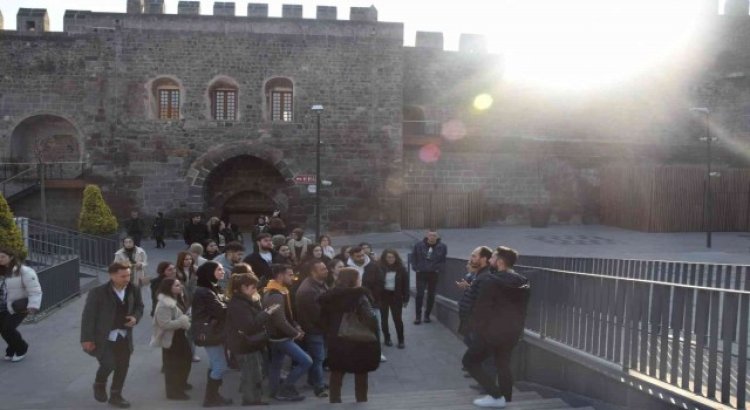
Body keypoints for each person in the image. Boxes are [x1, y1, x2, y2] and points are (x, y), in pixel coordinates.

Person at [463, 246, 530, 409]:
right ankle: (506, 399)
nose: (490, 260)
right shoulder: (523, 282)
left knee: (469, 362)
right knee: (503, 364)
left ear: (499, 262)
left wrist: (476, 332)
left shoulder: (490, 281)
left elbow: (481, 310)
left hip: (490, 334)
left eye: (492, 258)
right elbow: (523, 310)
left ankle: (496, 395)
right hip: (512, 332)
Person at [81, 262, 144, 408]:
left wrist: (135, 317)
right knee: (109, 363)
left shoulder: (133, 289)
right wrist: (86, 339)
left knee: (123, 366)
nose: (127, 278)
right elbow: (88, 316)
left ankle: (116, 395)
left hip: (124, 336)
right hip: (103, 337)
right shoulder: (97, 292)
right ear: (112, 276)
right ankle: (99, 383)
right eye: (123, 276)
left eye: (129, 275)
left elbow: (139, 306)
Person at [319, 267, 380, 403]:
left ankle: (335, 402)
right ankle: (361, 402)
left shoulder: (330, 295)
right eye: (359, 277)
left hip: (337, 338)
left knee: (337, 372)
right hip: (358, 339)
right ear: (354, 280)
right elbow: (369, 317)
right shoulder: (360, 295)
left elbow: (322, 319)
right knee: (361, 372)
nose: (360, 280)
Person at [226, 272, 280, 406]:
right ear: (244, 287)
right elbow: (249, 326)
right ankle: (251, 400)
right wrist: (266, 314)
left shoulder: (244, 300)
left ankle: (253, 398)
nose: (255, 290)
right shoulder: (239, 304)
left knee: (254, 372)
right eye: (253, 287)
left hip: (247, 344)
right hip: (244, 345)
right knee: (251, 374)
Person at [262, 264, 311, 402]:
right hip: (280, 337)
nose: (293, 278)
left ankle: (274, 391)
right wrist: (295, 333)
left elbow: (286, 316)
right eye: (290, 275)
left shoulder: (278, 291)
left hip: (277, 336)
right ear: (280, 275)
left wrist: (295, 325)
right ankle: (285, 388)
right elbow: (280, 320)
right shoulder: (275, 294)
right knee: (306, 361)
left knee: (276, 365)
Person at [191, 261, 233, 407]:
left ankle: (213, 396)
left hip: (213, 332)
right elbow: (220, 310)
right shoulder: (205, 291)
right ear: (210, 272)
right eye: (219, 270)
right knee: (220, 366)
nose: (222, 272)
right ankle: (210, 398)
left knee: (214, 364)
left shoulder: (210, 288)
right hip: (210, 333)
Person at [151, 278, 192, 400]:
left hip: (180, 335)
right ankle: (173, 392)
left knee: (186, 360)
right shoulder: (164, 303)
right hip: (171, 338)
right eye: (177, 285)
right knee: (174, 366)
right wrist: (182, 321)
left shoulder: (179, 298)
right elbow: (164, 324)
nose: (180, 287)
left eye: (180, 285)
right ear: (169, 288)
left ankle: (181, 384)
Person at [0, 247, 42, 362]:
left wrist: (33, 306)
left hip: (18, 306)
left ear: (11, 257)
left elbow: (35, 290)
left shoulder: (24, 271)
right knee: (3, 329)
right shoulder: (2, 270)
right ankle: (12, 349)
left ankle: (22, 348)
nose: (0, 259)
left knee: (8, 329)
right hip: (3, 306)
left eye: (3, 256)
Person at [295, 260, 330, 398]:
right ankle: (319, 387)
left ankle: (313, 380)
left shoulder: (319, 284)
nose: (326, 270)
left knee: (317, 357)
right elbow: (317, 315)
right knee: (318, 358)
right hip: (314, 329)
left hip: (318, 328)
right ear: (313, 272)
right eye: (322, 269)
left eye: (325, 268)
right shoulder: (309, 290)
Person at [347, 246, 386, 362]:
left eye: (362, 255)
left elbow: (380, 283)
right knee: (356, 328)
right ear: (352, 257)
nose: (361, 258)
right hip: (353, 304)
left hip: (372, 303)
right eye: (358, 256)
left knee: (375, 327)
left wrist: (372, 298)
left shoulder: (373, 266)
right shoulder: (347, 268)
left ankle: (377, 352)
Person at [412, 230, 447, 324]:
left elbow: (443, 260)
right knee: (419, 294)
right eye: (430, 235)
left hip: (433, 273)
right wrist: (416, 268)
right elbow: (413, 257)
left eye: (434, 235)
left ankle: (427, 315)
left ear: (437, 237)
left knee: (431, 295)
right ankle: (418, 316)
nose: (432, 237)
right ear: (427, 236)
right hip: (421, 273)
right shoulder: (418, 245)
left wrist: (438, 269)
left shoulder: (442, 247)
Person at [378, 249, 409, 349]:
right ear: (384, 258)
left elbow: (406, 285)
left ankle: (401, 340)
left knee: (398, 319)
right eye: (388, 257)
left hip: (396, 296)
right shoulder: (379, 268)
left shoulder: (401, 269)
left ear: (396, 257)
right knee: (384, 319)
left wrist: (406, 299)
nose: (390, 259)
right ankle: (387, 338)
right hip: (383, 296)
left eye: (392, 257)